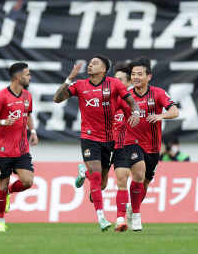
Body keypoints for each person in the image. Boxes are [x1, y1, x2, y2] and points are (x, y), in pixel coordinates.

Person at [53, 56, 141, 232]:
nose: (90, 64)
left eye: (95, 63)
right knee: (96, 177)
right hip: (89, 138)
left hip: (110, 141)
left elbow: (131, 103)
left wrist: (136, 113)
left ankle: (83, 172)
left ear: (103, 69)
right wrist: (69, 78)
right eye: (90, 62)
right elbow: (57, 98)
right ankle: (102, 218)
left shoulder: (114, 85)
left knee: (101, 184)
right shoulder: (79, 85)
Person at [123, 57, 179, 231]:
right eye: (133, 74)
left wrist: (160, 116)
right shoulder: (125, 95)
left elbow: (175, 111)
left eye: (140, 74)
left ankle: (133, 208)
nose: (135, 77)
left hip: (153, 147)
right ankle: (137, 218)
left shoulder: (158, 93)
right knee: (138, 174)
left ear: (149, 77)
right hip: (131, 141)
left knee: (144, 184)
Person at [0, 63, 38, 233]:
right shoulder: (1, 97)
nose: (30, 77)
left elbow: (28, 114)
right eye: (28, 74)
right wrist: (2, 122)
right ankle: (0, 221)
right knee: (2, 184)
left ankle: (9, 193)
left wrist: (33, 131)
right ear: (19, 77)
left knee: (28, 181)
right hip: (2, 150)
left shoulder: (27, 96)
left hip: (21, 148)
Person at [110, 61, 134, 232]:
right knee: (101, 183)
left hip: (122, 147)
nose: (116, 82)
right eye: (115, 79)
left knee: (122, 181)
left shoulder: (131, 102)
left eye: (120, 80)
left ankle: (120, 220)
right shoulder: (106, 99)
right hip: (103, 145)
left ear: (128, 83)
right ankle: (86, 173)